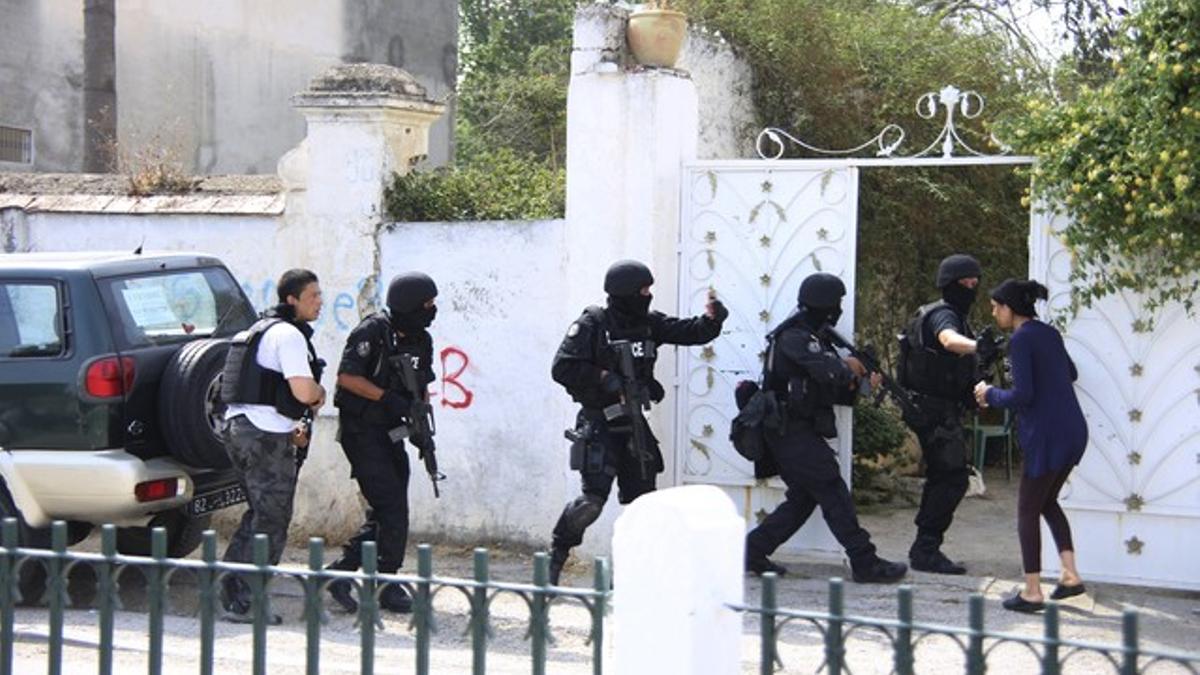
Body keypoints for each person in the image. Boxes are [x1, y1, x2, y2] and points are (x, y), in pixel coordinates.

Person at [548, 259, 728, 585]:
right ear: (626, 292)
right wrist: (605, 378)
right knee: (591, 502)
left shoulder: (648, 323)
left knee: (644, 504)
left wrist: (713, 321)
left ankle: (636, 576)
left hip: (633, 423)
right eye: (643, 290)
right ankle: (554, 561)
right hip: (598, 421)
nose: (648, 295)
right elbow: (562, 367)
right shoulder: (594, 323)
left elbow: (689, 332)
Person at [744, 273, 908, 584]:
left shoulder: (819, 339)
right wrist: (851, 367)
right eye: (837, 303)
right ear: (826, 304)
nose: (839, 309)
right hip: (787, 428)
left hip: (799, 429)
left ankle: (752, 551)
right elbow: (828, 371)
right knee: (832, 490)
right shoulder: (794, 337)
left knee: (805, 498)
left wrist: (863, 384)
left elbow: (834, 390)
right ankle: (864, 561)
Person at [323, 272, 439, 614]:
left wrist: (420, 422)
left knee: (388, 509)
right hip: (362, 432)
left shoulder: (422, 340)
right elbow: (346, 377)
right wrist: (387, 399)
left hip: (392, 432)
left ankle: (340, 574)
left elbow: (421, 384)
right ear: (408, 304)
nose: (432, 310)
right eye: (427, 304)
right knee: (392, 508)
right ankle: (387, 583)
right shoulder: (372, 332)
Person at [974, 279, 1087, 613]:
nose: (994, 313)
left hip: (1047, 436)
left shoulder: (1021, 339)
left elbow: (1023, 396)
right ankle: (1070, 576)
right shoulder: (1048, 333)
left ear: (1010, 308)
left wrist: (988, 394)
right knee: (1046, 501)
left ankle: (1032, 591)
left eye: (996, 307)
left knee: (1026, 510)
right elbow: (1072, 372)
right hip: (1072, 430)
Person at [219, 268, 325, 623]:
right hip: (264, 436)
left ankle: (230, 588)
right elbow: (303, 392)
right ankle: (246, 600)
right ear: (291, 299)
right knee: (273, 519)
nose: (319, 302)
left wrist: (291, 426)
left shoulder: (256, 330)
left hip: (241, 429)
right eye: (313, 296)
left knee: (259, 513)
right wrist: (319, 394)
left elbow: (261, 392)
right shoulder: (289, 335)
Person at [897, 254, 990, 575]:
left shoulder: (949, 313)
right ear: (949, 284)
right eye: (966, 283)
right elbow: (948, 341)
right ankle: (925, 549)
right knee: (951, 478)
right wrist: (978, 346)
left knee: (945, 477)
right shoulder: (943, 316)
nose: (971, 288)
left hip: (938, 409)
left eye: (975, 283)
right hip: (933, 411)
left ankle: (925, 547)